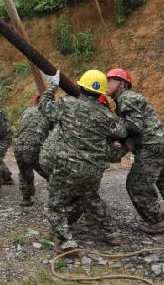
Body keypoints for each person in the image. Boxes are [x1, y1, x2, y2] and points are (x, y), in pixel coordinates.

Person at [39, 69, 127, 247]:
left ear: (81, 87)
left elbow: (44, 107)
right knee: (91, 198)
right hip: (93, 170)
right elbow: (122, 131)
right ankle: (111, 233)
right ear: (101, 93)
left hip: (66, 167)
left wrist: (53, 86)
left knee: (55, 205)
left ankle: (66, 242)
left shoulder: (67, 104)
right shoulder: (106, 116)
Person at [107, 68, 164, 234]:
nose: (107, 83)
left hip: (150, 146)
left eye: (112, 80)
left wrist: (112, 127)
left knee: (137, 184)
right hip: (162, 143)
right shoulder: (130, 99)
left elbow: (135, 125)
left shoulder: (127, 97)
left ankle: (157, 221)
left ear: (122, 84)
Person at [13, 96, 51, 206]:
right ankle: (56, 200)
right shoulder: (49, 114)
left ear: (35, 102)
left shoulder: (28, 110)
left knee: (24, 172)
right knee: (50, 173)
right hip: (34, 147)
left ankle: (26, 198)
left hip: (18, 145)